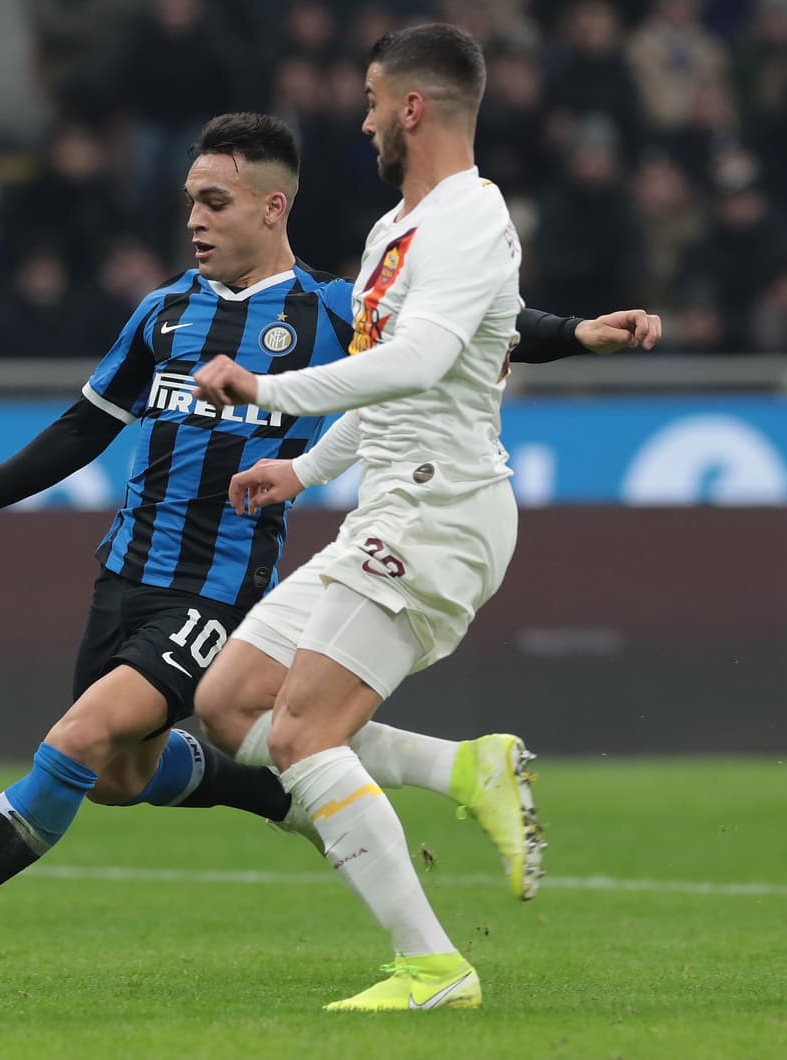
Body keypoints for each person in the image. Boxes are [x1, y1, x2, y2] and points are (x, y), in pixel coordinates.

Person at [0, 109, 660, 980]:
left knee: (77, 739)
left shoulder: (330, 309)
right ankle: (299, 789)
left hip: (217, 589)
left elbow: (472, 332)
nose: (194, 219)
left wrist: (575, 332)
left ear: (272, 208)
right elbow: (83, 428)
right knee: (122, 775)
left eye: (215, 202)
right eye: (190, 202)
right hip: (124, 575)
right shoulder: (163, 312)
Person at [190, 25, 555, 1012]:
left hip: (442, 510)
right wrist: (304, 469)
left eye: (367, 101)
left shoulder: (469, 219)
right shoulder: (394, 228)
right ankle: (463, 767)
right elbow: (383, 385)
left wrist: (265, 387)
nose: (357, 119)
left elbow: (421, 362)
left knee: (304, 732)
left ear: (411, 108)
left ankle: (433, 966)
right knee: (229, 706)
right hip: (386, 504)